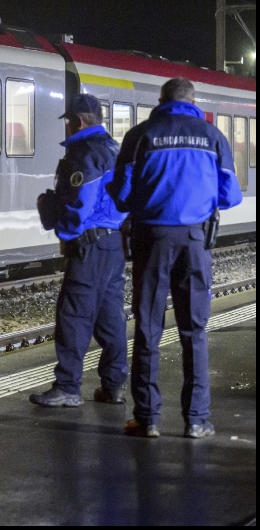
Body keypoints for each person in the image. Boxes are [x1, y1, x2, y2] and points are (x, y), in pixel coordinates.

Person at [108, 77, 242, 439]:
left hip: (151, 239)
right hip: (196, 242)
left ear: (161, 100)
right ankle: (197, 420)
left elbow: (120, 195)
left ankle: (147, 418)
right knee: (194, 330)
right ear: (193, 101)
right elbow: (231, 196)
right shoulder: (212, 136)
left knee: (149, 327)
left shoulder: (139, 136)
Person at [30, 94, 129, 408]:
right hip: (113, 244)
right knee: (109, 316)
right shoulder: (115, 149)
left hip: (88, 246)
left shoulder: (84, 154)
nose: (68, 128)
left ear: (79, 122)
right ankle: (113, 385)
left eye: (69, 122)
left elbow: (79, 205)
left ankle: (68, 387)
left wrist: (64, 231)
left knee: (73, 315)